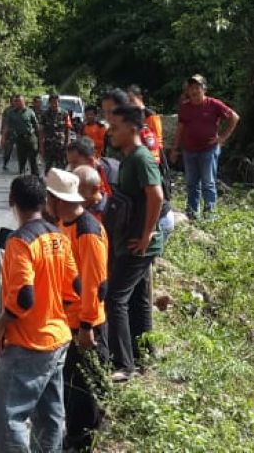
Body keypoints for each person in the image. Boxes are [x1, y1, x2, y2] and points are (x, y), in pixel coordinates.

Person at [0, 175, 80, 453]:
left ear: (11, 201)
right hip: (58, 338)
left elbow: (23, 297)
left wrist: (1, 323)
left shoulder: (20, 242)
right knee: (50, 415)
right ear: (44, 202)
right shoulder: (59, 236)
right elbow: (75, 287)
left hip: (29, 342)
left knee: (7, 419)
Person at [46, 168, 109, 452]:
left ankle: (83, 443)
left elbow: (94, 285)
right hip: (68, 320)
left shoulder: (88, 232)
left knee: (83, 390)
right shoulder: (64, 223)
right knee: (73, 387)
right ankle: (77, 437)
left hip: (86, 325)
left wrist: (86, 327)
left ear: (57, 199)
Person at [103, 105, 165, 381]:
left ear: (132, 129)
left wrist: (146, 234)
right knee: (139, 300)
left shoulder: (141, 158)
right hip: (133, 241)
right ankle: (144, 357)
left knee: (115, 299)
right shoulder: (128, 158)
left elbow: (157, 196)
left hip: (137, 244)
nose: (110, 132)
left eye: (115, 127)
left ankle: (124, 365)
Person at [171, 75, 239, 220]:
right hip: (189, 151)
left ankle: (210, 215)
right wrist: (175, 149)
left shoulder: (214, 104)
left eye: (197, 88)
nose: (194, 91)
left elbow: (234, 117)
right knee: (191, 183)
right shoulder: (185, 107)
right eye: (191, 89)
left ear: (204, 89)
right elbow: (180, 128)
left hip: (208, 150)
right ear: (187, 92)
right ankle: (192, 213)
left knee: (208, 183)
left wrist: (222, 138)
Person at [1, 94, 40, 176]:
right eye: (15, 101)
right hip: (19, 139)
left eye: (19, 101)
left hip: (30, 138)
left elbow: (36, 126)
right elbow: (6, 126)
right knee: (21, 160)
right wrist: (3, 138)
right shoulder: (11, 113)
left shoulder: (30, 112)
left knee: (33, 160)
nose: (16, 103)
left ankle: (36, 178)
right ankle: (22, 177)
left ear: (23, 102)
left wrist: (40, 139)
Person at [39, 94, 73, 174]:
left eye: (56, 102)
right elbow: (41, 131)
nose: (54, 104)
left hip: (61, 145)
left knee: (61, 168)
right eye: (52, 102)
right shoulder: (44, 115)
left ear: (59, 102)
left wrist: (67, 143)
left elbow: (68, 129)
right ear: (49, 103)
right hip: (48, 145)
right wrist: (41, 146)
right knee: (48, 168)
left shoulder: (65, 114)